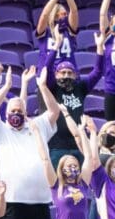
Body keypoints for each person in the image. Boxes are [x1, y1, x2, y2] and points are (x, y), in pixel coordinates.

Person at [0, 67, 61, 219]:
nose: (16, 114)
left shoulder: (37, 126)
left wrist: (42, 86)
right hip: (10, 202)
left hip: (40, 203)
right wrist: (6, 86)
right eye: (12, 111)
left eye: (20, 111)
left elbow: (54, 112)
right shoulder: (0, 131)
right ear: (5, 114)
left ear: (26, 113)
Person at [30, 118, 92, 219]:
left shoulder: (83, 184)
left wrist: (82, 133)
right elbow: (45, 160)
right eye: (69, 166)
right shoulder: (56, 184)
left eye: (75, 165)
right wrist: (37, 132)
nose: (73, 168)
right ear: (62, 168)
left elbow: (90, 159)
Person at [42, 25, 106, 166]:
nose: (66, 75)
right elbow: (45, 69)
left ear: (75, 75)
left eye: (70, 73)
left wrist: (100, 48)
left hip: (80, 144)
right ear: (56, 74)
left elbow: (98, 71)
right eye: (63, 72)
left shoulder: (81, 87)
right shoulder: (52, 88)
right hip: (56, 146)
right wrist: (56, 46)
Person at [35, 0, 79, 76]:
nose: (65, 16)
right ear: (54, 16)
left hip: (67, 74)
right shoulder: (45, 32)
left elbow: (74, 10)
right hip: (47, 75)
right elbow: (45, 14)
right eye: (62, 14)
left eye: (65, 14)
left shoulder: (68, 30)